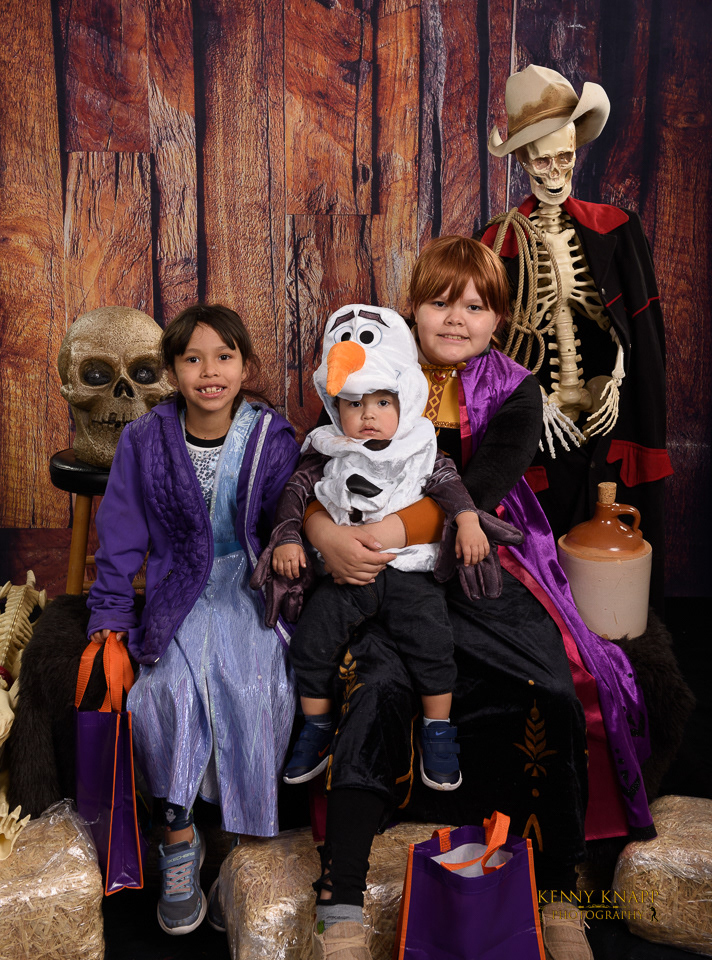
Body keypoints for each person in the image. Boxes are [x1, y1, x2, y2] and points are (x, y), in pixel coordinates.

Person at [300, 239, 654, 960]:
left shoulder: (516, 389)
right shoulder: (373, 365)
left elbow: (484, 487)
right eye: (440, 302)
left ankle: (559, 887)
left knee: (553, 684)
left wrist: (381, 532)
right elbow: (313, 462)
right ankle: (341, 897)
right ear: (413, 308)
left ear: (499, 319)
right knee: (377, 683)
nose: (456, 318)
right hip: (377, 567)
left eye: (476, 306)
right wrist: (320, 531)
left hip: (477, 552)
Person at [85, 304, 300, 936]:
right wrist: (110, 616)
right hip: (177, 589)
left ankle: (242, 849)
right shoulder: (145, 440)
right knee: (163, 693)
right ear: (173, 371)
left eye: (224, 357)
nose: (210, 372)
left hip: (249, 585)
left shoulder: (270, 437)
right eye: (193, 359)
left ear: (245, 366)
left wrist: (292, 562)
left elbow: (291, 518)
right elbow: (120, 536)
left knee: (258, 683)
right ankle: (177, 838)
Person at [256, 305, 517, 793]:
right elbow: (295, 493)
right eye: (354, 404)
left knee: (433, 643)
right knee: (312, 641)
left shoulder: (419, 446)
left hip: (407, 573)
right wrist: (289, 536)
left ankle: (438, 729)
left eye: (381, 402)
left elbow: (449, 484)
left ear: (405, 399)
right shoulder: (327, 448)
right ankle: (316, 726)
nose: (368, 415)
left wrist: (466, 520)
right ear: (336, 407)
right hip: (346, 575)